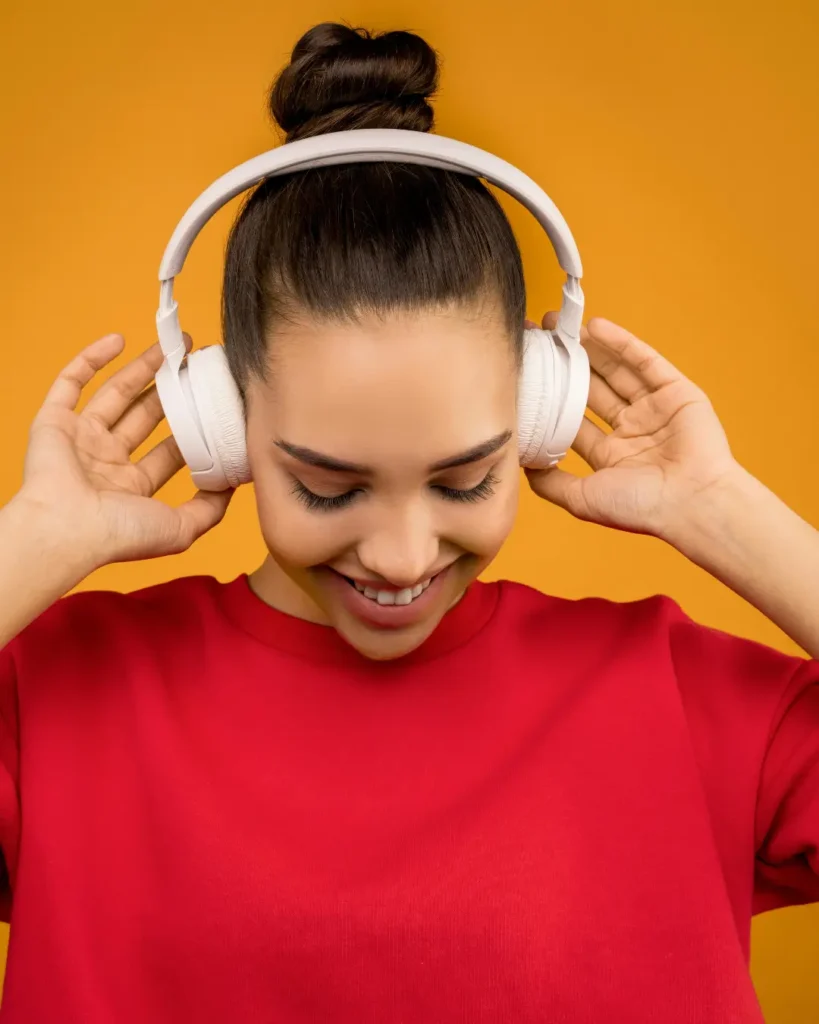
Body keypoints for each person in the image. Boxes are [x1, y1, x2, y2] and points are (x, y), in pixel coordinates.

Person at [0, 20, 816, 1024]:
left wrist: (725, 512)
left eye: (465, 481)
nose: (401, 554)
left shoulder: (678, 698)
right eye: (330, 488)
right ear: (223, 425)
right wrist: (29, 542)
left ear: (537, 417)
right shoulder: (57, 704)